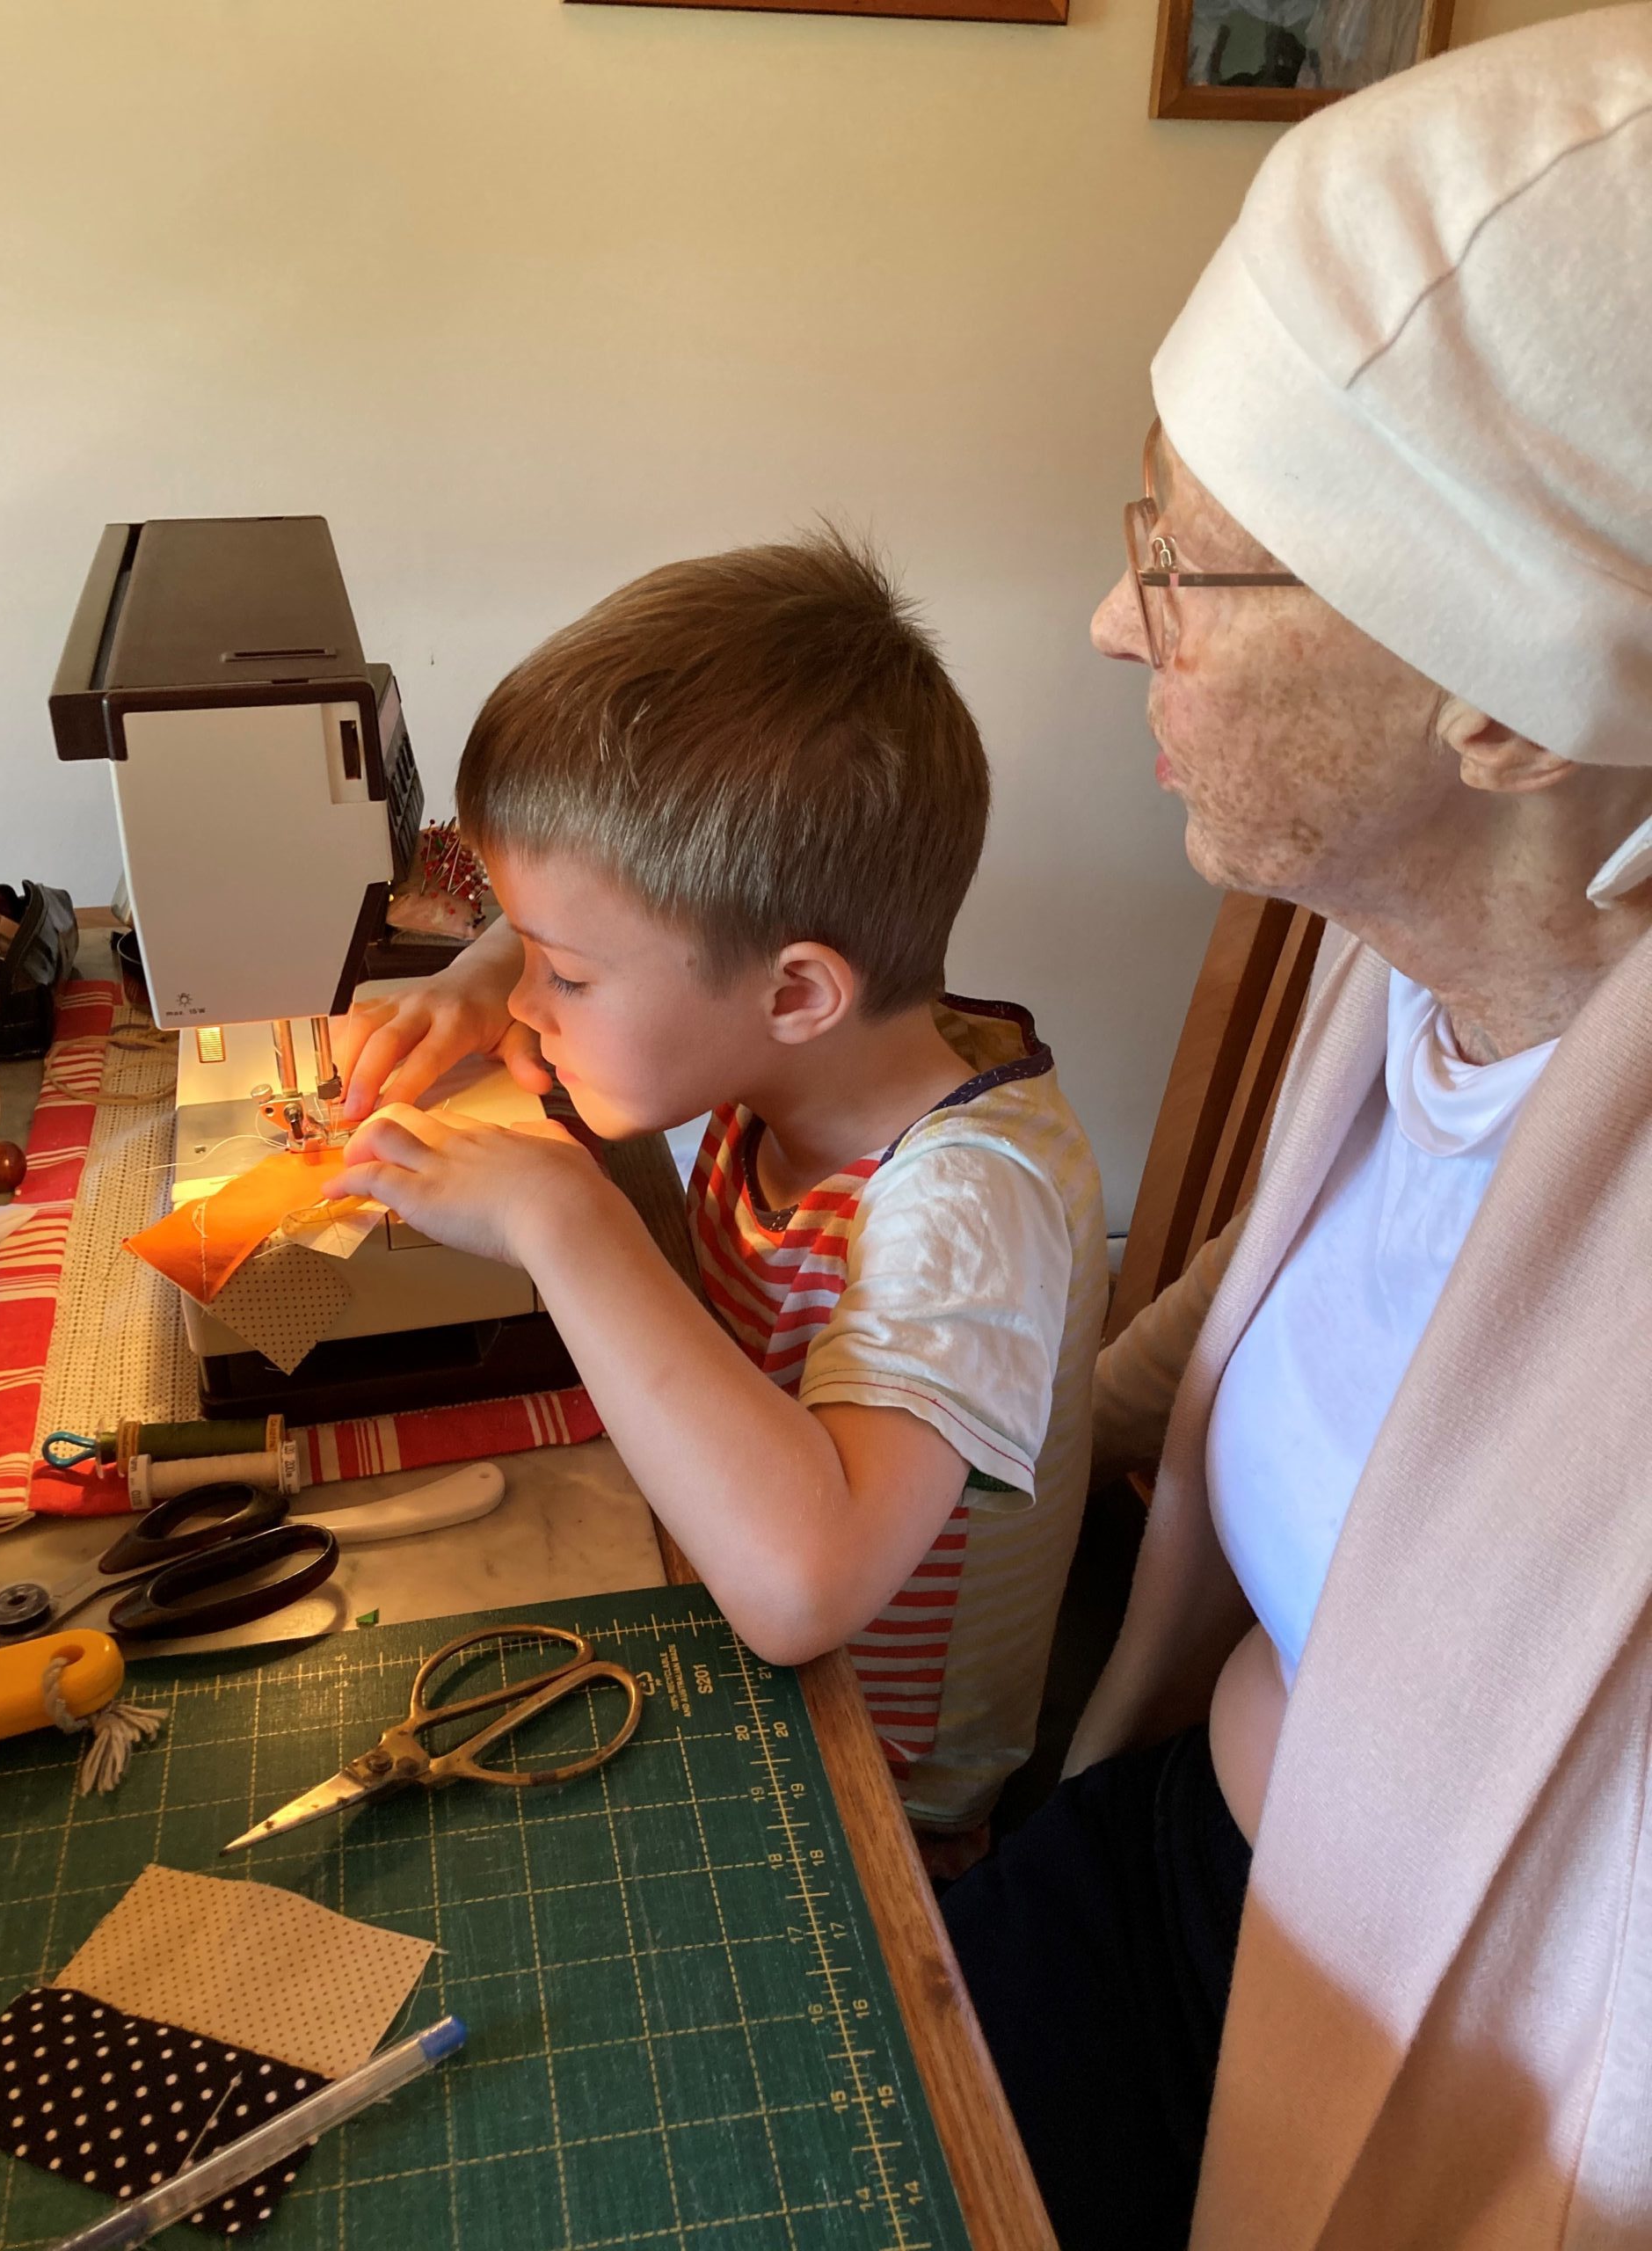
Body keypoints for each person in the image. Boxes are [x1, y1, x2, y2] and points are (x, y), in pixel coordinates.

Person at [942, 11, 1652, 2247]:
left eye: (1188, 567)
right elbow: (1274, 1360)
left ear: (1513, 706)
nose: (1106, 615)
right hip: (1177, 1861)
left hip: (1421, 2112)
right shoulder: (1404, 955)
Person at [332, 530, 1106, 1851]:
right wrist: (485, 976)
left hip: (877, 1795)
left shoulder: (968, 1208)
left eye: (568, 977)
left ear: (795, 990)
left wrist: (561, 1219)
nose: (538, 1000)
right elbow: (640, 927)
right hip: (730, 1586)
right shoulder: (793, 1044)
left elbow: (807, 1588)